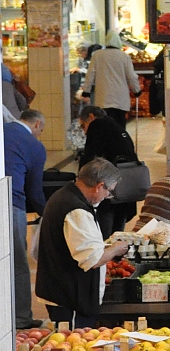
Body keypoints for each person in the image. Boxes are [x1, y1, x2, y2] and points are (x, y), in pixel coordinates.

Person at [37, 159, 130, 327]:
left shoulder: (62, 195)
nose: (107, 197)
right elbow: (93, 260)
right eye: (109, 191)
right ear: (99, 186)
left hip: (58, 290)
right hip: (69, 298)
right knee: (74, 339)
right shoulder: (76, 210)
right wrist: (115, 249)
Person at [6, 109, 46, 329]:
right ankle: (21, 318)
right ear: (37, 124)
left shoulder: (3, 130)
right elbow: (35, 192)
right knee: (17, 262)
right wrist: (48, 213)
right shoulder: (34, 146)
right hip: (11, 203)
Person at [79, 105, 138, 236]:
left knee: (105, 234)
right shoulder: (116, 127)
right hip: (126, 189)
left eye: (83, 126)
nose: (84, 132)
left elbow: (89, 158)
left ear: (91, 117)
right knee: (117, 232)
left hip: (110, 190)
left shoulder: (97, 125)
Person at [82, 30, 140, 126]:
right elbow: (131, 76)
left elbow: (90, 74)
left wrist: (86, 91)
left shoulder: (97, 55)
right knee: (119, 125)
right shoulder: (124, 56)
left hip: (103, 97)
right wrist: (136, 90)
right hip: (120, 98)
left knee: (104, 125)